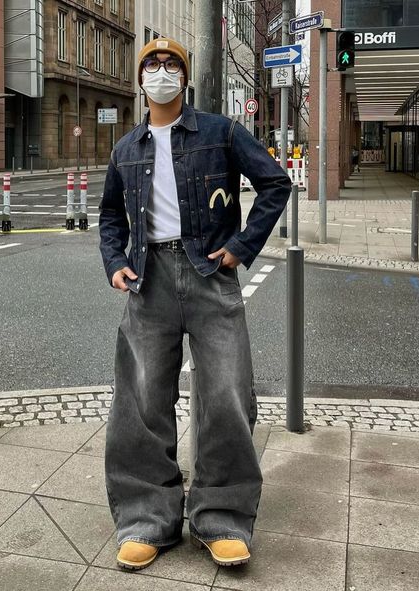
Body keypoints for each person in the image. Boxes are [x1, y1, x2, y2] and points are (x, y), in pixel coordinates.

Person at [99, 37, 291, 571]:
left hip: (211, 272)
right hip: (147, 278)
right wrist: (114, 260)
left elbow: (275, 183)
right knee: (140, 400)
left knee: (226, 394)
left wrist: (241, 247)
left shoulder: (220, 132)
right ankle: (146, 518)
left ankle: (222, 517)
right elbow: (111, 215)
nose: (161, 72)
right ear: (141, 80)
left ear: (184, 77)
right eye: (152, 66)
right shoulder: (126, 148)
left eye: (171, 65)